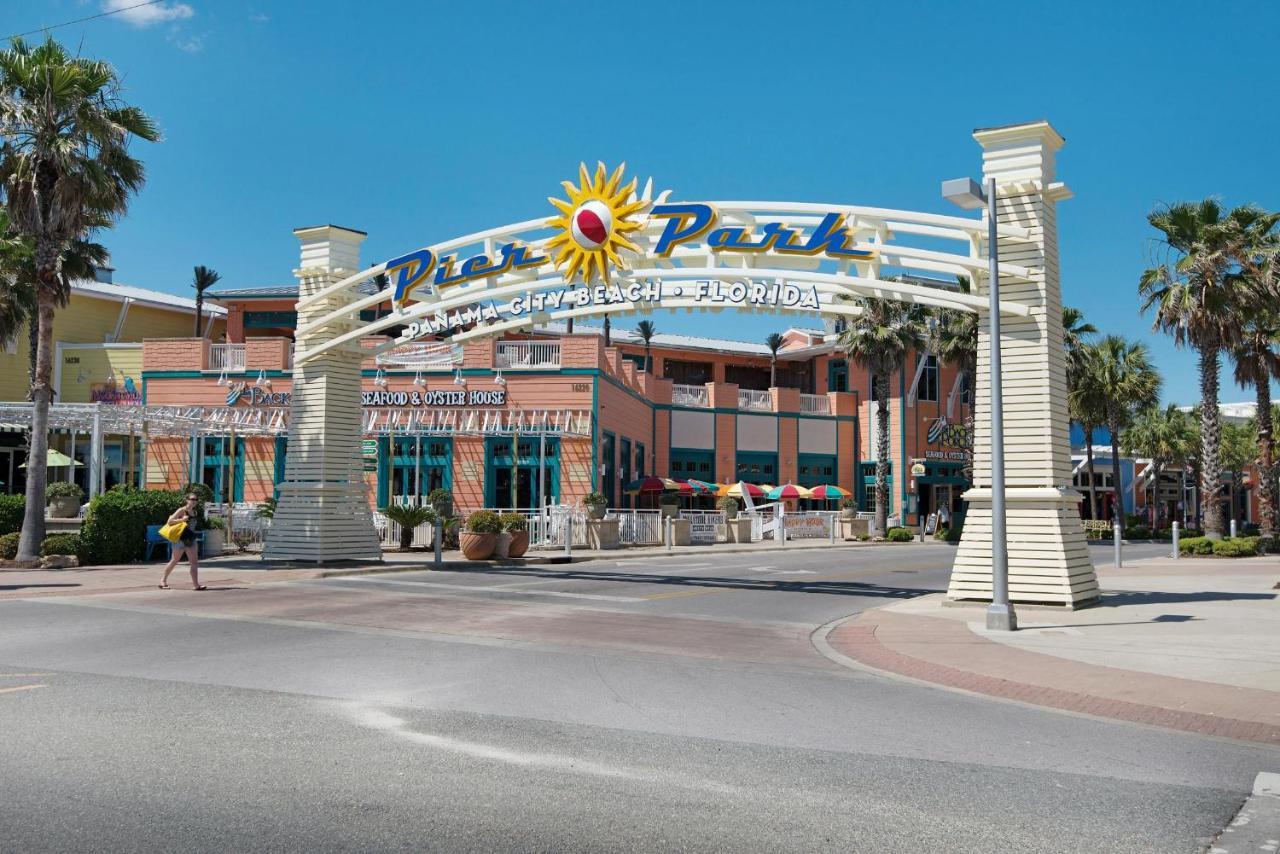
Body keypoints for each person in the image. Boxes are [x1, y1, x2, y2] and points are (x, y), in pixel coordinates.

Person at [159, 493, 206, 590]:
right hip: (180, 540)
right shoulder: (181, 510)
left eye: (196, 499)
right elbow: (170, 522)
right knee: (174, 561)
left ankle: (196, 584)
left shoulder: (195, 512)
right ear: (187, 500)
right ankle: (163, 581)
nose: (194, 501)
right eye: (192, 499)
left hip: (191, 539)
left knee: (194, 562)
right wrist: (182, 520)